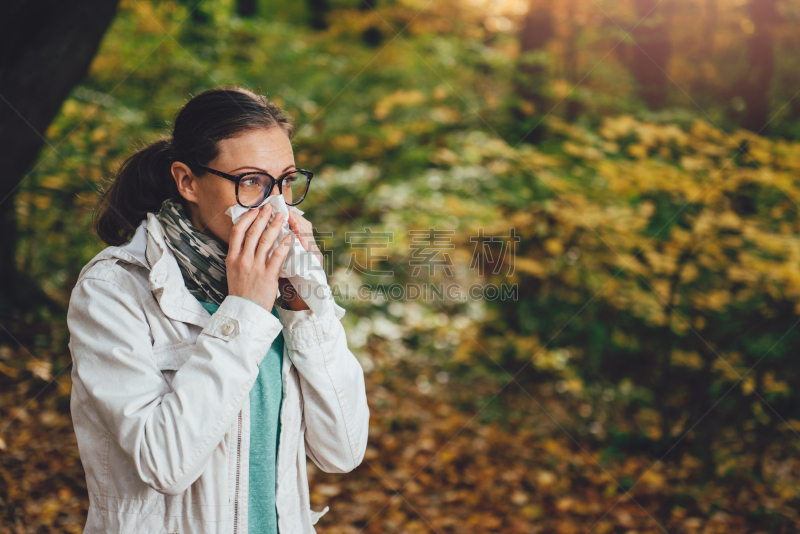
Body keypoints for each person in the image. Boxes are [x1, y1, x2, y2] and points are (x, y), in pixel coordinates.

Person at [66, 86, 369, 534]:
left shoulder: (286, 285)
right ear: (187, 181)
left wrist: (306, 302)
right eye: (252, 182)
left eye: (285, 181)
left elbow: (342, 450)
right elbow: (164, 464)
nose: (276, 206)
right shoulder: (115, 287)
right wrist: (245, 307)